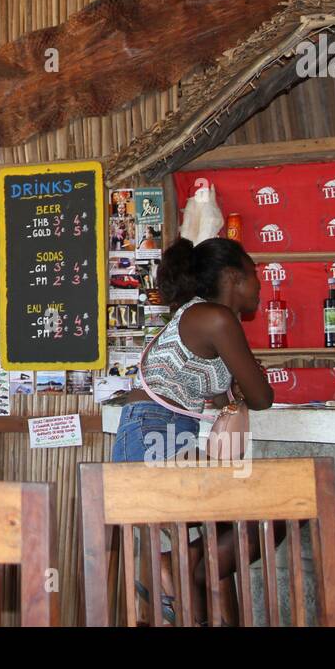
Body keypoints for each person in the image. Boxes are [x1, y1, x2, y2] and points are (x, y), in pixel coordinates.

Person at [115, 237, 274, 625]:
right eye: (254, 276)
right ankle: (183, 569)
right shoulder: (214, 318)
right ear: (234, 277)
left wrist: (236, 390)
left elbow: (225, 396)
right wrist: (246, 385)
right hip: (154, 434)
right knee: (260, 515)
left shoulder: (200, 317)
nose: (259, 287)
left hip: (159, 431)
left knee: (247, 517)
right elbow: (261, 395)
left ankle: (183, 569)